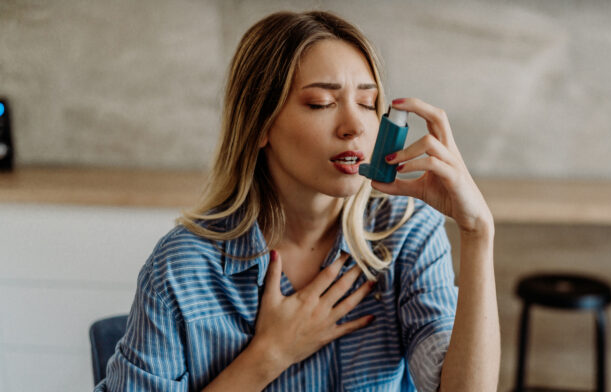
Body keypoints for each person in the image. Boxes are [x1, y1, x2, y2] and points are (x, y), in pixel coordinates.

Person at [95, 10, 499, 392]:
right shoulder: (182, 268)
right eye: (321, 104)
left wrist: (478, 232)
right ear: (260, 124)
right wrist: (269, 355)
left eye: (366, 102)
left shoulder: (408, 232)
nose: (354, 126)